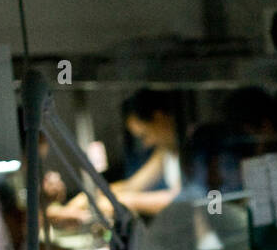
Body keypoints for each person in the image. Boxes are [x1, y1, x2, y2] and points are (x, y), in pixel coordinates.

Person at [51, 89, 183, 225]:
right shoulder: (164, 151)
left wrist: (118, 201)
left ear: (159, 118)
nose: (146, 144)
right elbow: (133, 185)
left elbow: (178, 199)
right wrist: (89, 197)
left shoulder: (190, 148)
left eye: (145, 135)